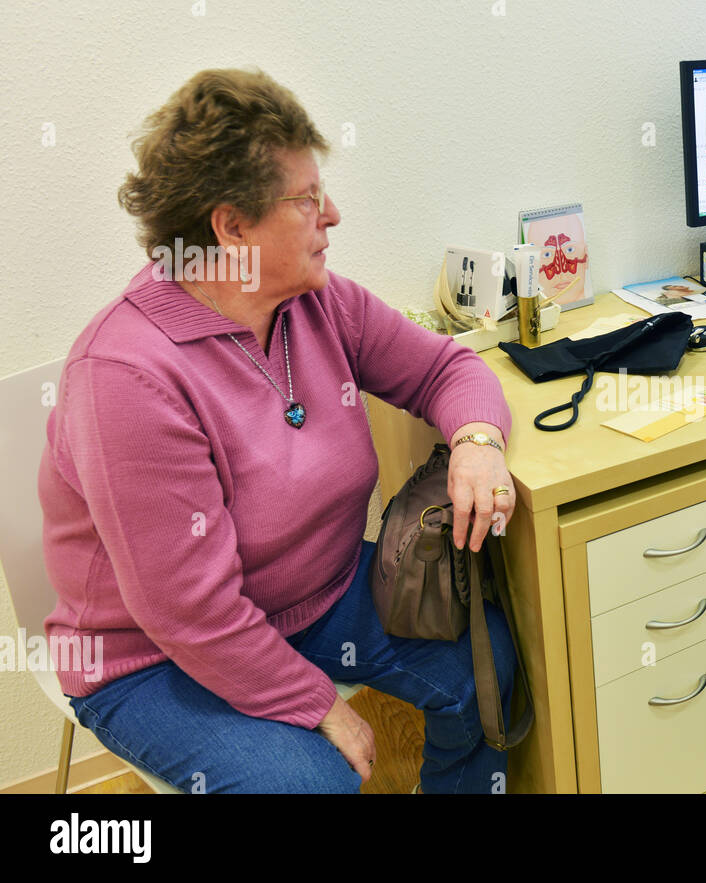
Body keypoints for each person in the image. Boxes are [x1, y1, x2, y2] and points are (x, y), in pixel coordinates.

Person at [38, 68, 519, 793]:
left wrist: (479, 441)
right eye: (305, 200)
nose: (332, 215)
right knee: (310, 784)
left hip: (314, 597)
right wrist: (316, 700)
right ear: (231, 227)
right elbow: (186, 611)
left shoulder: (318, 303)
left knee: (487, 670)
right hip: (154, 654)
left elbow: (448, 370)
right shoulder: (125, 376)